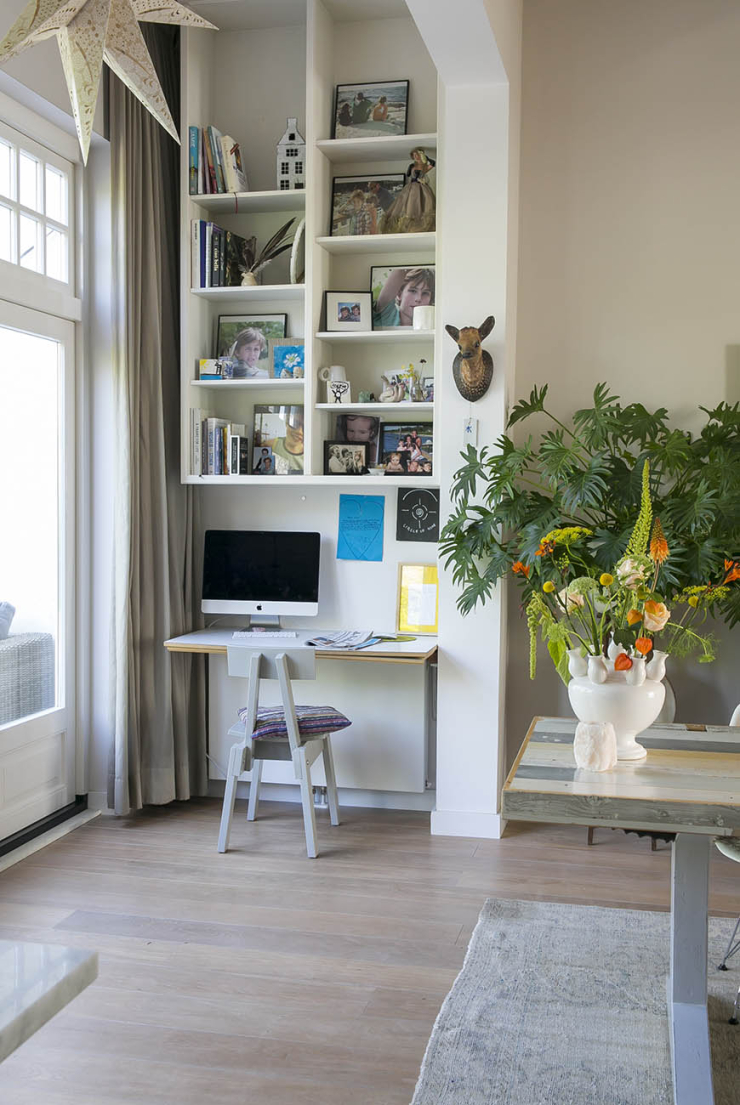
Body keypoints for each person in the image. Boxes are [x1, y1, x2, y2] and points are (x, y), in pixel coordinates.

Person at [380, 146, 436, 234]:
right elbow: (409, 174)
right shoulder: (412, 166)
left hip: (421, 186)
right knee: (408, 202)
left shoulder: (424, 166)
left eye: (417, 155)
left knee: (422, 203)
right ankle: (407, 222)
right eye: (414, 155)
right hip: (412, 186)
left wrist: (426, 158)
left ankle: (418, 223)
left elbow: (433, 163)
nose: (415, 157)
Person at [261, 406, 304, 473]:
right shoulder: (270, 445)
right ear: (286, 422)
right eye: (295, 424)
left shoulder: (312, 453)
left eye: (305, 427)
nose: (299, 431)